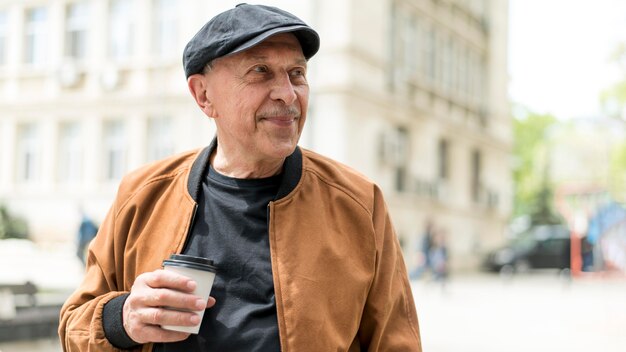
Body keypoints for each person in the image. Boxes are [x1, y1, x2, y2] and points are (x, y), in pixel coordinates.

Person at [59, 4, 422, 351]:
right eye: (260, 72)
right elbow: (74, 325)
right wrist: (122, 318)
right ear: (204, 95)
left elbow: (396, 340)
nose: (287, 93)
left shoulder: (358, 202)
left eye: (297, 74)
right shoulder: (142, 194)